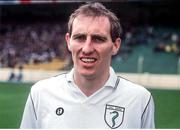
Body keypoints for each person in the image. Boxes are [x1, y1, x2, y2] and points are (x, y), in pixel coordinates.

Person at [20, 2, 155, 129]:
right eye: (80, 38)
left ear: (115, 45)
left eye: (98, 39)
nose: (87, 48)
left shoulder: (140, 100)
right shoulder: (40, 94)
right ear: (68, 41)